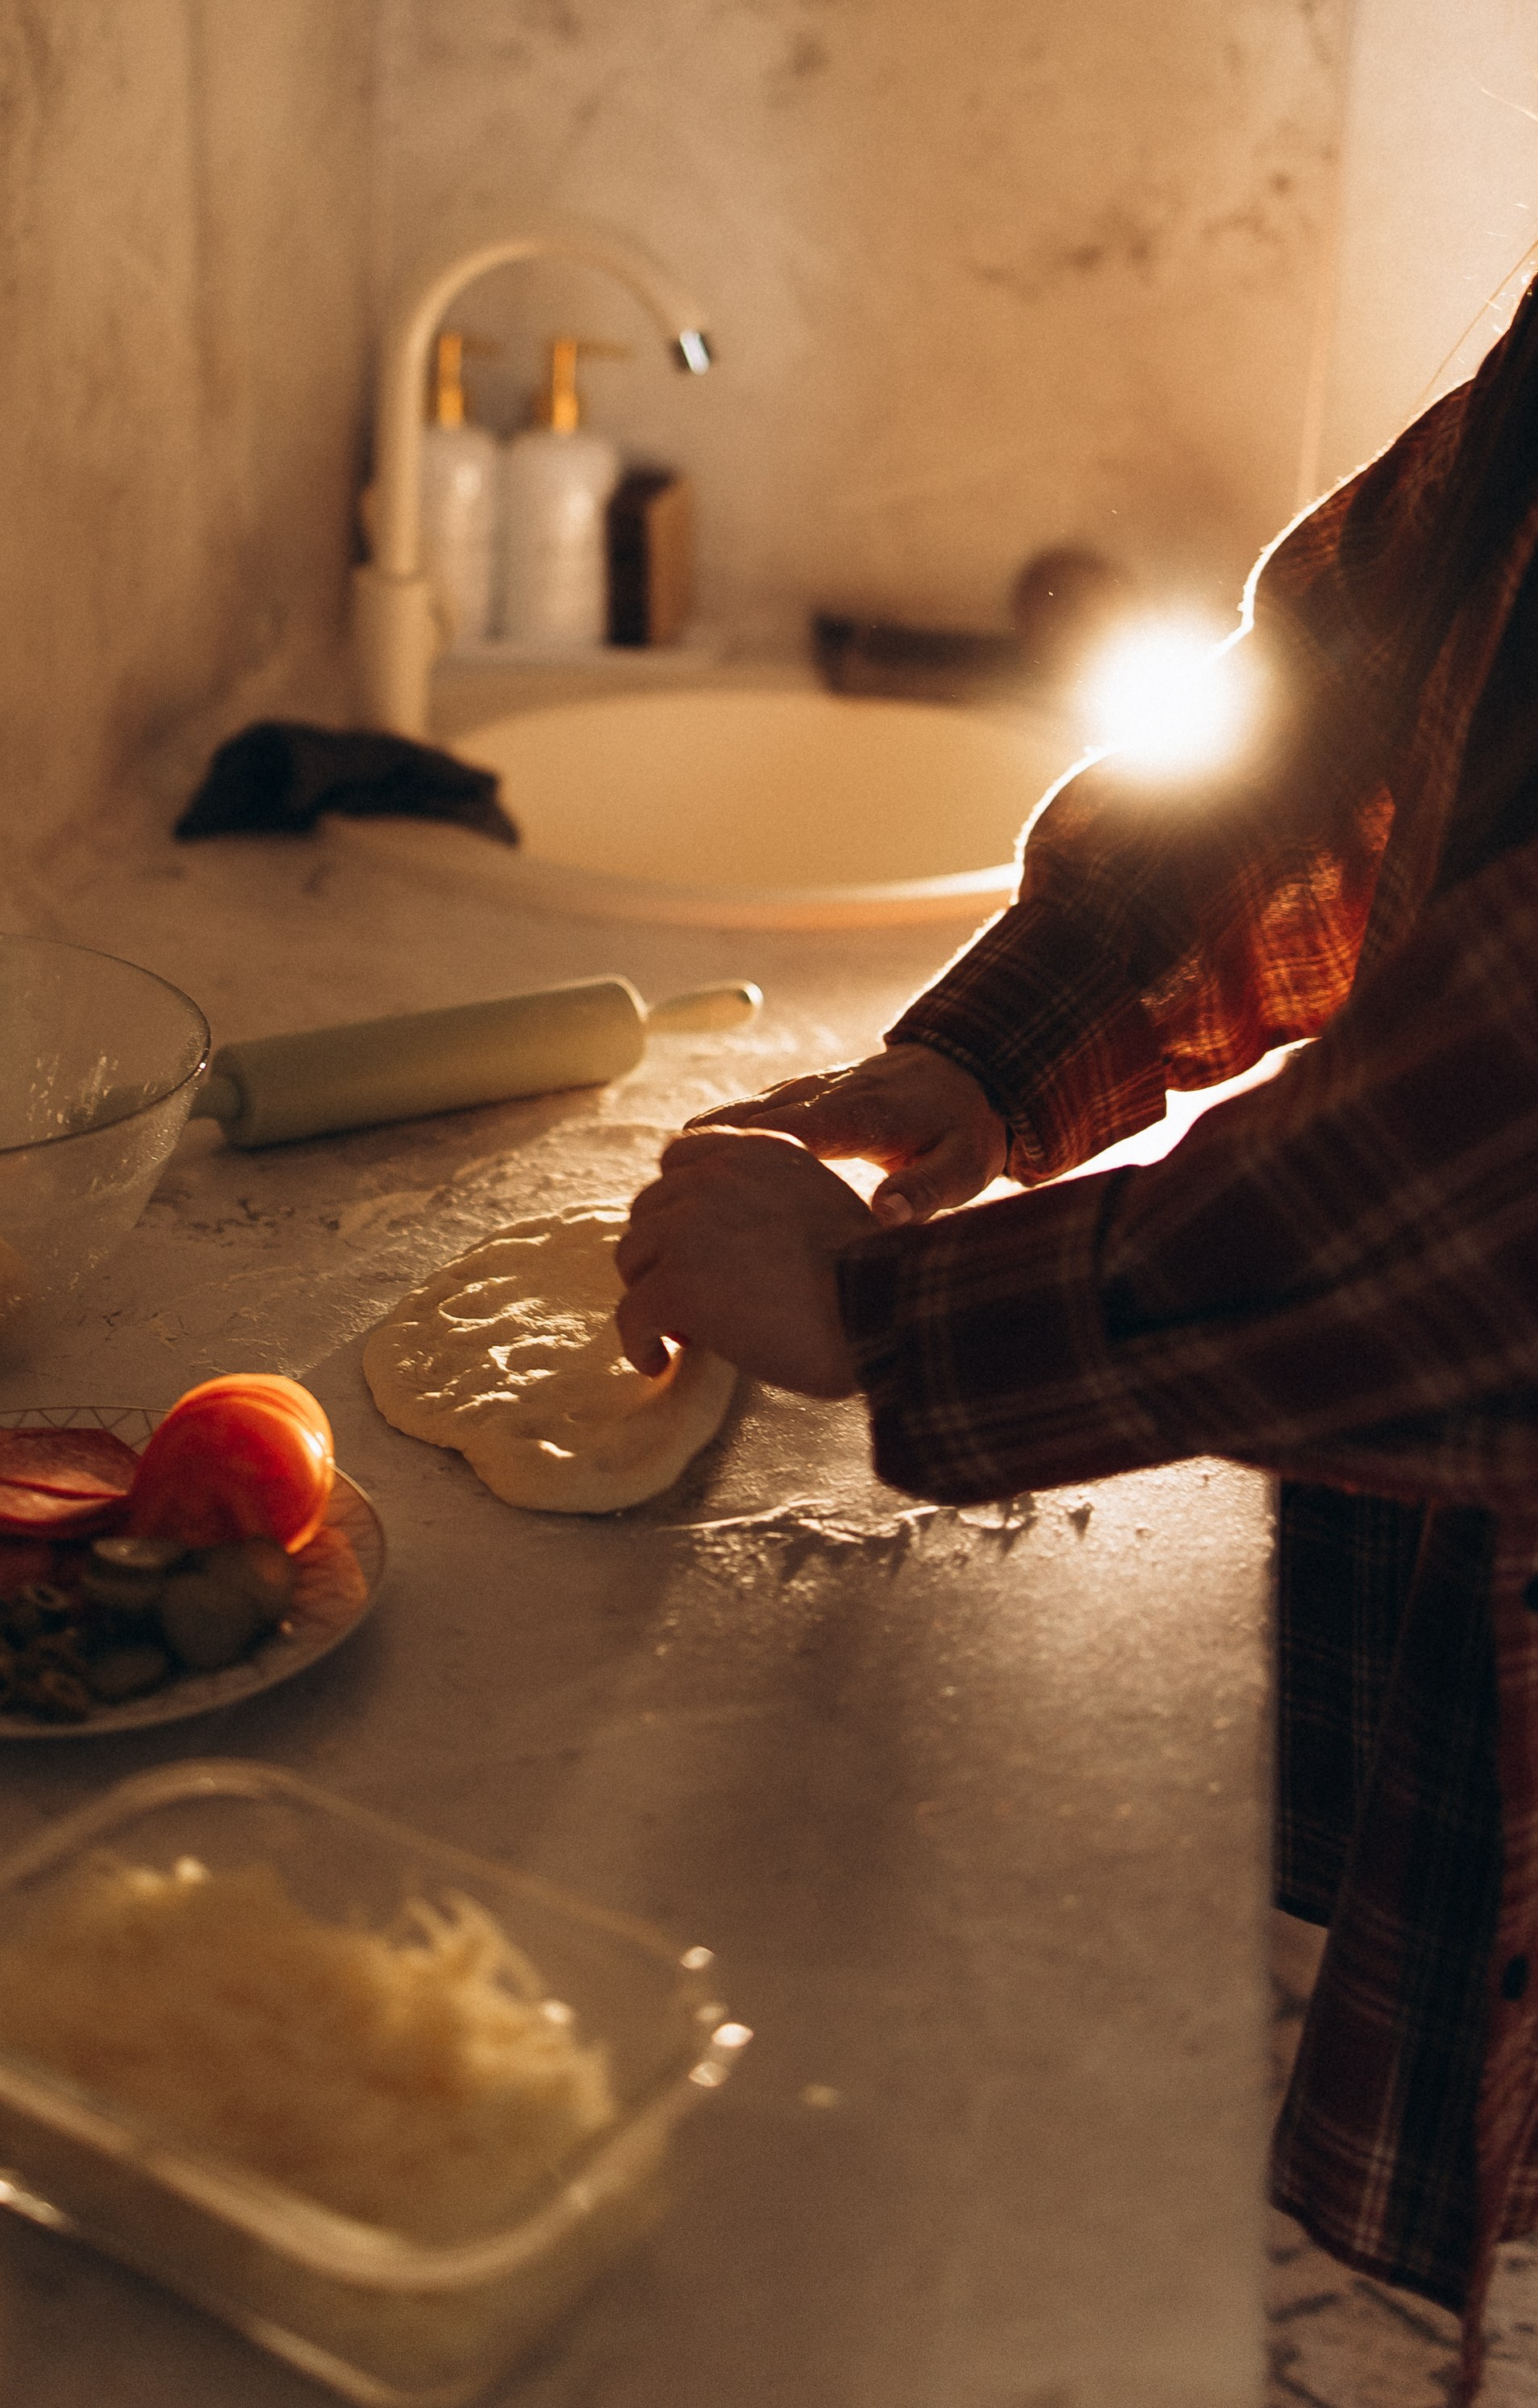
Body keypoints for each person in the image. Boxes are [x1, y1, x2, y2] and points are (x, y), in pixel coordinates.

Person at [615, 269, 1538, 2402]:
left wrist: (898, 1314)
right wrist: (1007, 1051)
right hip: (1422, 1664)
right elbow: (1329, 702)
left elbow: (1499, 1165)